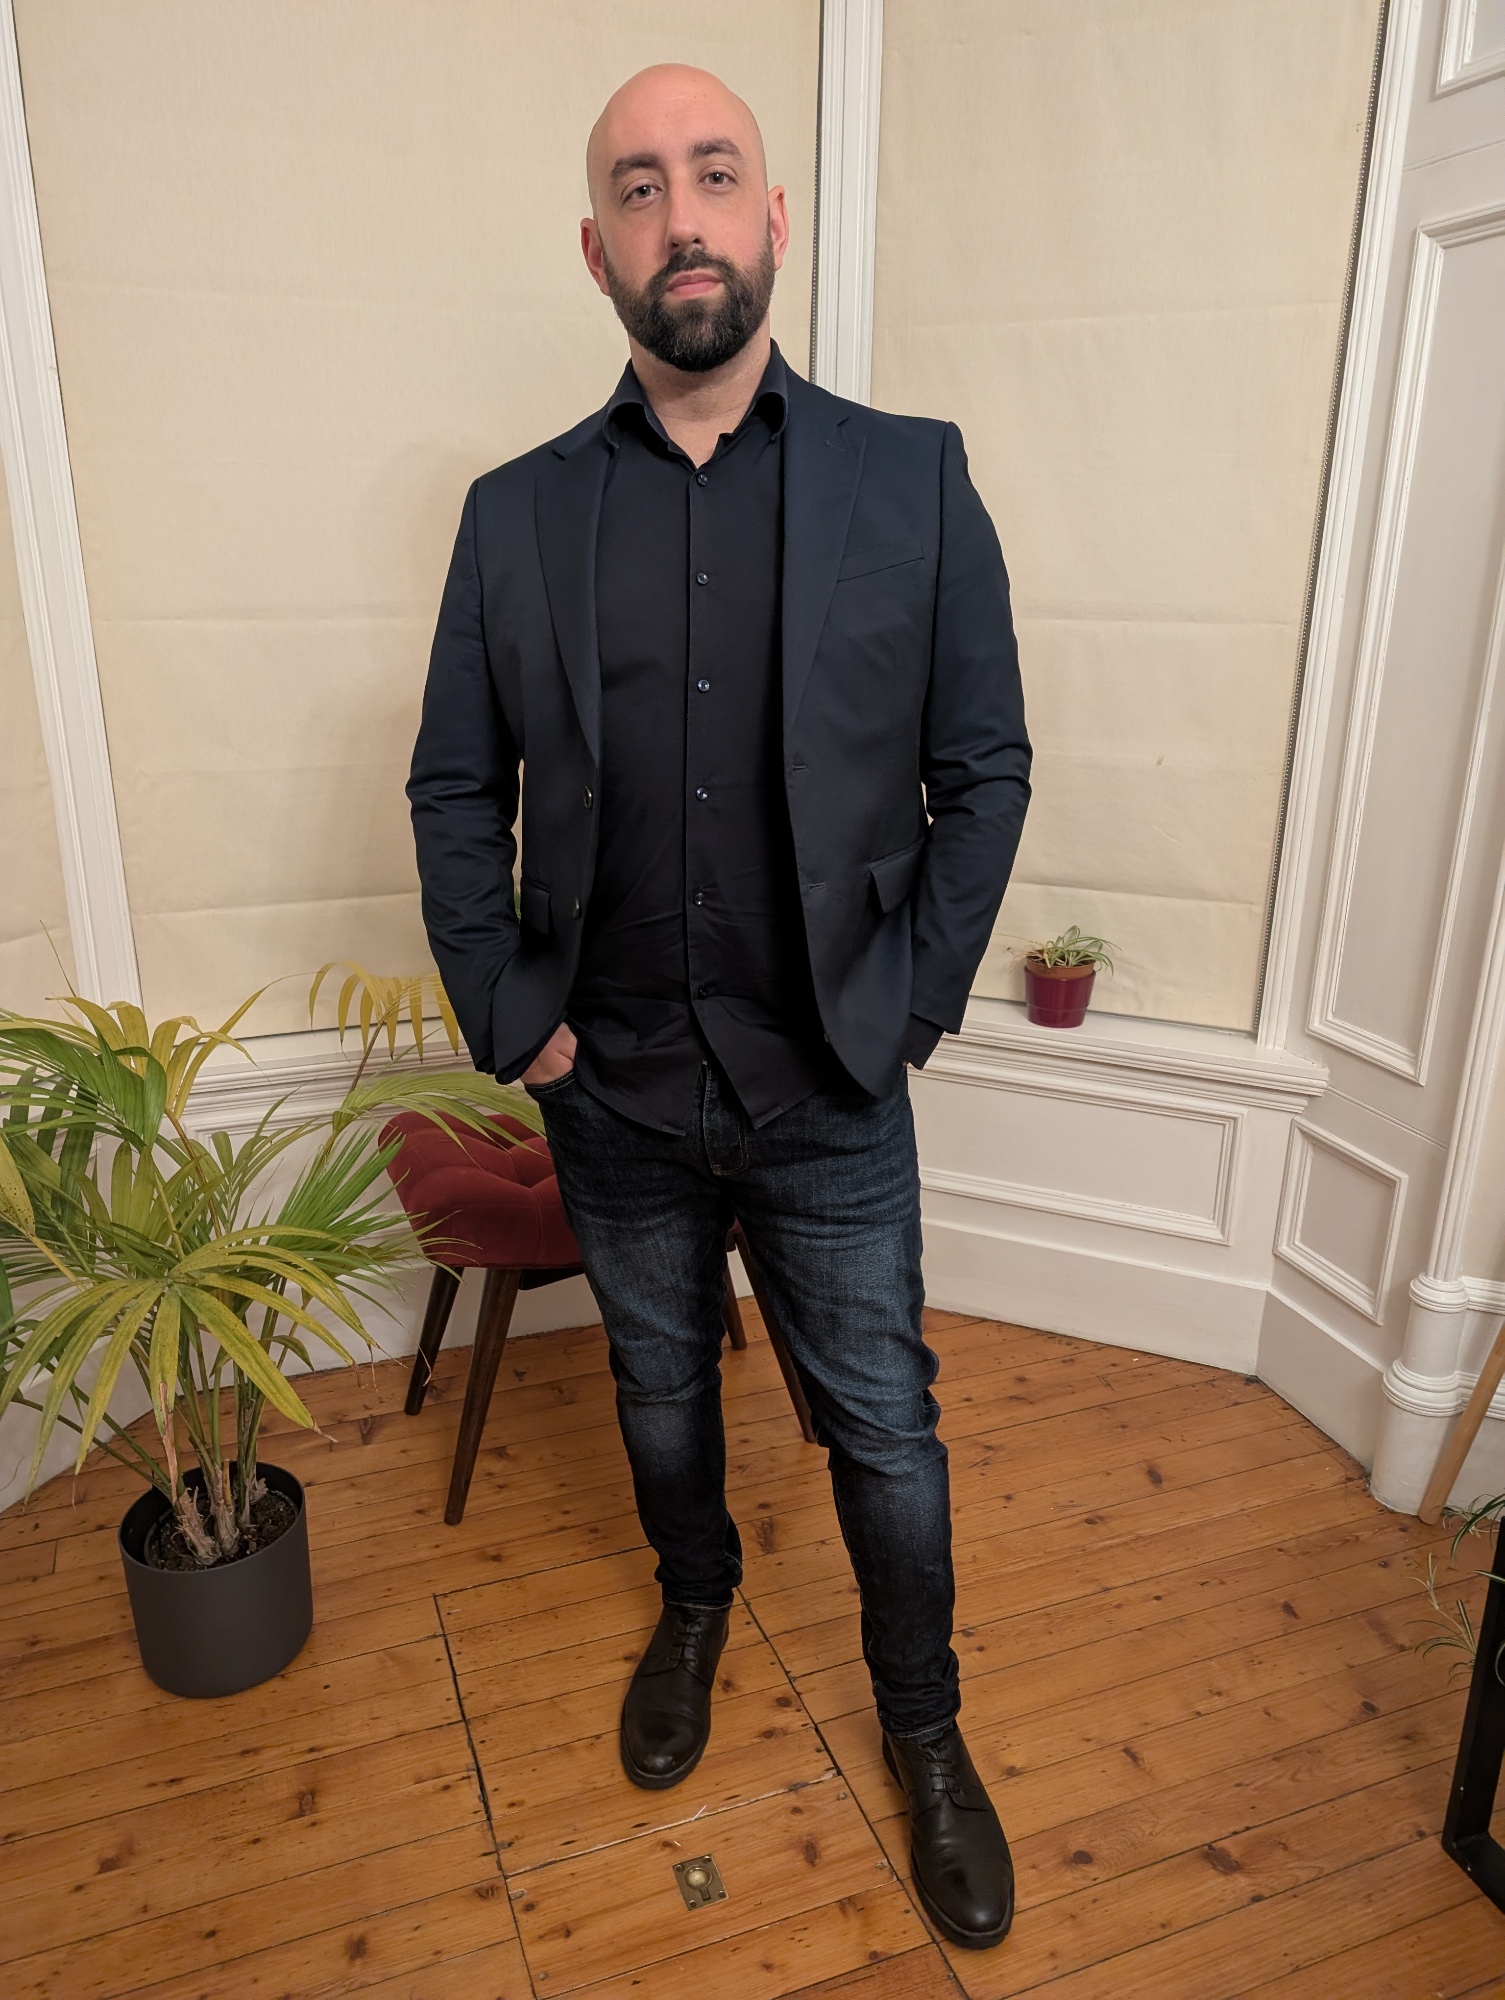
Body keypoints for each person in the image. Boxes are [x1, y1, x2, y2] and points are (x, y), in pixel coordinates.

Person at [407, 63, 1031, 1952]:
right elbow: (456, 787)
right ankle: (694, 1600)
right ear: (595, 248)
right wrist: (507, 1011)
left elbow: (983, 769)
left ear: (771, 218)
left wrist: (907, 1012)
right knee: (658, 1388)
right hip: (609, 1086)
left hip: (830, 1081)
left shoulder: (911, 477)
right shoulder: (511, 517)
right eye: (636, 188)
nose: (678, 218)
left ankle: (922, 1729)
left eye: (711, 176)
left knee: (886, 1431)